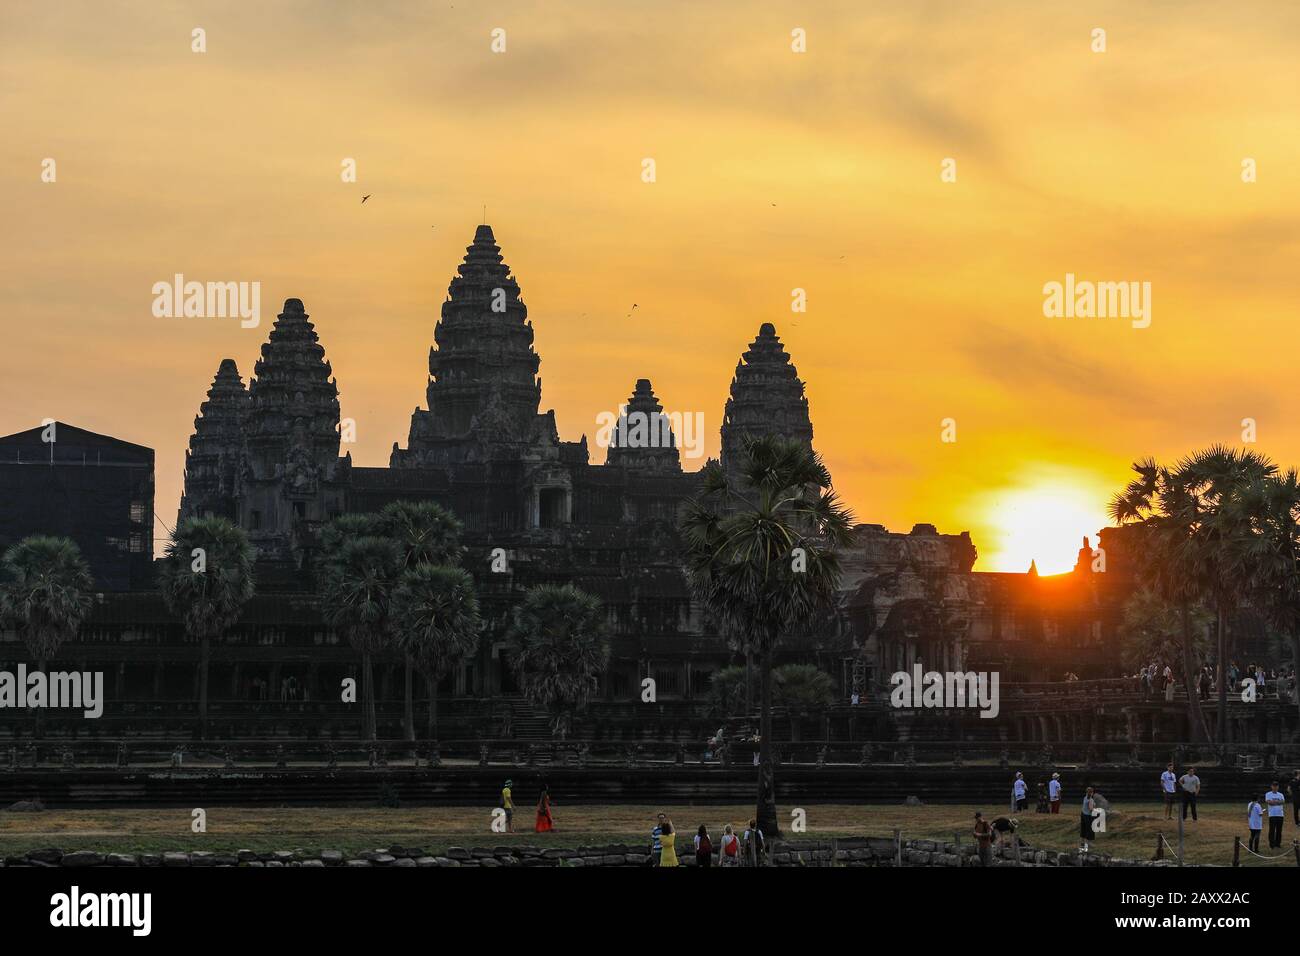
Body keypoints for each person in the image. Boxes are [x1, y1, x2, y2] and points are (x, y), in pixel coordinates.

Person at [1265, 781, 1286, 848]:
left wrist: (1274, 802)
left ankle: (1278, 844)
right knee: (1272, 830)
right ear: (1271, 786)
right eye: (1274, 786)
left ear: (1278, 787)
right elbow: (1269, 802)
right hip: (1272, 815)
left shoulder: (1281, 794)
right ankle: (1272, 844)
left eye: (1276, 786)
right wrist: (1278, 802)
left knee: (1279, 830)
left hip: (1280, 814)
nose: (1275, 787)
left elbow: (1282, 802)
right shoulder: (1268, 794)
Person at [1080, 787, 1096, 851]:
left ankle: (1082, 842)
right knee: (1089, 829)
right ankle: (1088, 843)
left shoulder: (1085, 797)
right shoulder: (1091, 800)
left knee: (1083, 828)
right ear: (1092, 793)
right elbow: (1091, 809)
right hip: (1088, 816)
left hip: (1083, 814)